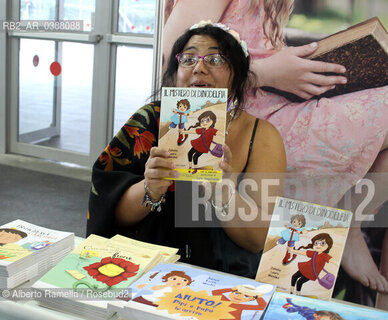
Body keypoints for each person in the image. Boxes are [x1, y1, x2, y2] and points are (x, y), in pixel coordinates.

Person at [163, 0, 388, 296]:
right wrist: (269, 72)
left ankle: (349, 226)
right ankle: (345, 225)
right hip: (236, 120)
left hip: (272, 108)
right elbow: (172, 55)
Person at [87, 23, 286, 279]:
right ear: (176, 72)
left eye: (215, 59)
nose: (199, 68)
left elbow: (258, 240)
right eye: (189, 58)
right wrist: (150, 189)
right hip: (149, 269)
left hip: (220, 280)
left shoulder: (261, 136)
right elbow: (111, 211)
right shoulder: (148, 122)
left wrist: (227, 198)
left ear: (237, 74)